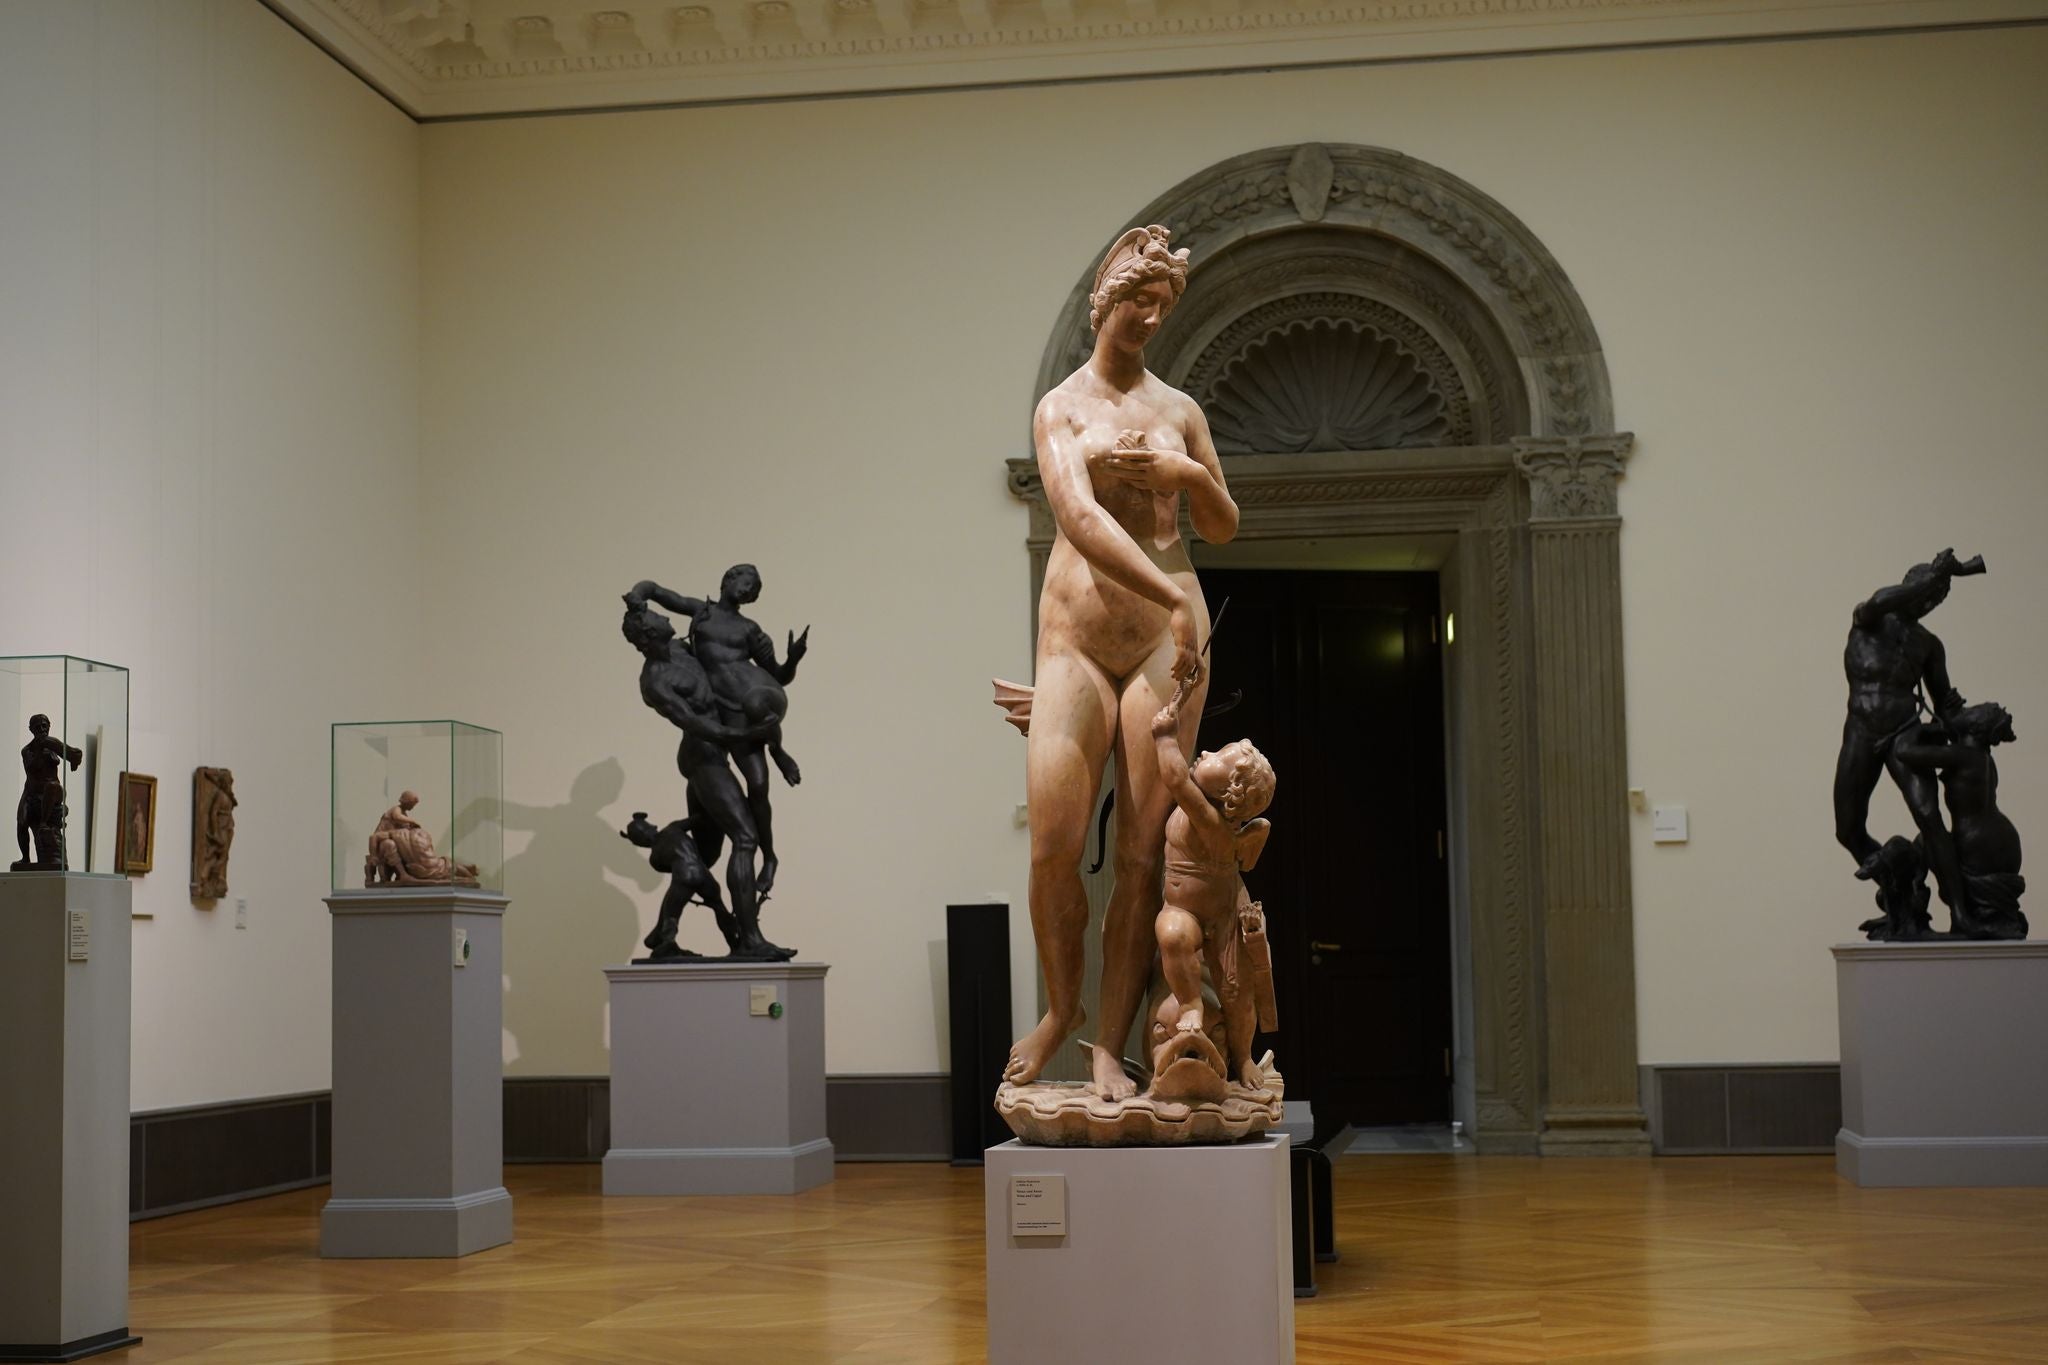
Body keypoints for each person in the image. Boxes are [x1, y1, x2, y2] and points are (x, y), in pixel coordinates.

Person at [1006, 224, 1240, 1099]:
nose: (1146, 315)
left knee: (1144, 852)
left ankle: (1108, 1043)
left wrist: (1185, 474)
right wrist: (1175, 592)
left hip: (1159, 647)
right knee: (1055, 843)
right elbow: (1079, 517)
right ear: (1105, 296)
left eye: (1161, 304)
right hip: (1075, 639)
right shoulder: (1060, 407)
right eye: (1136, 298)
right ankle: (1059, 1009)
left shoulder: (1179, 409)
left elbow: (1222, 523)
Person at [621, 586, 793, 960]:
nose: (666, 617)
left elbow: (654, 591)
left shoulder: (682, 650)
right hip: (705, 759)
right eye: (656, 617)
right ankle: (749, 939)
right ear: (649, 634)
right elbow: (701, 726)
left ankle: (665, 933)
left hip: (717, 756)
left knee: (703, 857)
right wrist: (749, 734)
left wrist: (637, 598)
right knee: (745, 838)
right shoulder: (655, 681)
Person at [632, 568, 806, 896]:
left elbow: (778, 675)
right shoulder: (702, 612)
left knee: (758, 785)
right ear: (728, 580)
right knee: (746, 796)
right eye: (746, 582)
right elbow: (656, 589)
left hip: (753, 697)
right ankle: (764, 858)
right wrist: (637, 598)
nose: (748, 590)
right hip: (724, 713)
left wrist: (793, 659)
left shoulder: (750, 629)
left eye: (754, 588)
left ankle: (769, 856)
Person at [1834, 549, 1983, 918]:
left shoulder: (1929, 644)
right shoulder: (1868, 619)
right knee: (1848, 829)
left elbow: (1945, 703)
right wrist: (1932, 576)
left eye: (1937, 598)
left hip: (1905, 733)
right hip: (1862, 731)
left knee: (1929, 815)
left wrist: (1974, 725)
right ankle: (1898, 883)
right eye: (1928, 593)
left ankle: (1961, 911)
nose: (1931, 601)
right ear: (1910, 587)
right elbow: (1881, 599)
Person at [1149, 681, 1275, 1090]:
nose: (1204, 752)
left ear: (1228, 797)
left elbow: (1172, 776)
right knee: (1171, 934)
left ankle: (1243, 1059)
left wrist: (1166, 736)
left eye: (1216, 757)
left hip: (1221, 916)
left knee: (1237, 992)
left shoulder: (1209, 821)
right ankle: (1190, 1008)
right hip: (1182, 908)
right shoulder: (1209, 809)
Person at [1889, 702, 2026, 939]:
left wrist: (1917, 728)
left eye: (1974, 710)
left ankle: (1928, 909)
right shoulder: (1982, 758)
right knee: (1926, 841)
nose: (1965, 710)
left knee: (1927, 841)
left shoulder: (1962, 756)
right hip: (1997, 842)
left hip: (1978, 845)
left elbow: (1904, 751)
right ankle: (1921, 908)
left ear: (1976, 725)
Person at [13, 713, 81, 871]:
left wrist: (71, 757)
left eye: (45, 725)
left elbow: (63, 750)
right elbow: (31, 767)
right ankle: (25, 858)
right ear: (31, 729)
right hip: (31, 792)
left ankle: (44, 823)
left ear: (49, 726)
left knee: (53, 786)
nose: (42, 729)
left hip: (52, 791)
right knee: (21, 821)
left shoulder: (52, 745)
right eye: (37, 726)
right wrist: (39, 750)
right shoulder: (27, 750)